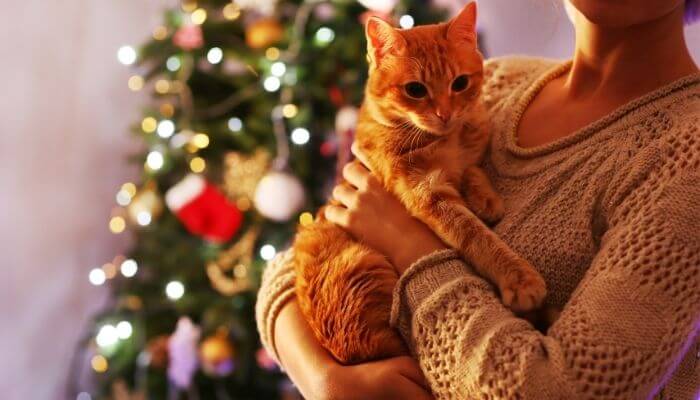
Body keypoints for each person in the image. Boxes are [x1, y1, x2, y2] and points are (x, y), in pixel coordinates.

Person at [256, 0, 700, 398]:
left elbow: (561, 391)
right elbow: (287, 270)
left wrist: (409, 245)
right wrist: (323, 379)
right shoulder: (498, 82)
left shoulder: (688, 151)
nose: (442, 108)